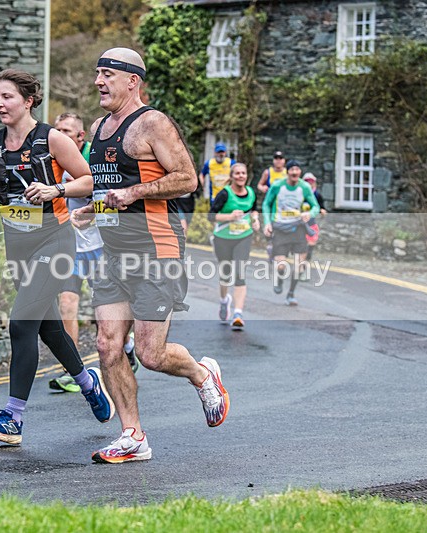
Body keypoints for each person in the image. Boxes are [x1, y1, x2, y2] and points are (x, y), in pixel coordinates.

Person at [72, 48, 230, 464]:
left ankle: (201, 373)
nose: (98, 81)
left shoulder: (152, 123)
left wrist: (135, 193)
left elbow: (187, 179)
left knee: (150, 353)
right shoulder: (99, 128)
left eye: (107, 74)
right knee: (107, 345)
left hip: (157, 249)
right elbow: (109, 186)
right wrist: (94, 209)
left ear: (132, 80)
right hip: (114, 254)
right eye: (97, 73)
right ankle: (133, 436)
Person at [0, 69, 114, 445]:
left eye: (7, 97)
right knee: (48, 328)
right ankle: (88, 383)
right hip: (17, 245)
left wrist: (56, 189)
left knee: (21, 322)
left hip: (55, 240)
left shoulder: (52, 139)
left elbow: (90, 180)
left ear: (28, 100)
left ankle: (13, 417)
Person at [49, 112, 138, 393]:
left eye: (66, 131)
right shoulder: (51, 160)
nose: (59, 135)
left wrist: (88, 205)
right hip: (70, 246)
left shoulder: (96, 159)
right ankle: (73, 371)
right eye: (57, 130)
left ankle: (126, 345)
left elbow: (116, 199)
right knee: (67, 304)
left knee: (106, 312)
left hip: (101, 246)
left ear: (80, 136)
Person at [208, 162, 260, 329]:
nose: (240, 176)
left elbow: (253, 210)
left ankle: (238, 313)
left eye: (243, 173)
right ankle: (224, 300)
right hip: (223, 238)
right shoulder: (225, 194)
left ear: (246, 175)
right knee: (225, 274)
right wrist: (230, 217)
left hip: (243, 237)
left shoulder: (251, 193)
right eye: (237, 173)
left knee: (240, 273)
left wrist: (255, 220)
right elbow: (211, 216)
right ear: (231, 176)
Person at [262, 160, 320, 306]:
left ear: (300, 172)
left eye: (297, 169)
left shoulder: (304, 187)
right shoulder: (277, 186)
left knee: (299, 264)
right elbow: (266, 204)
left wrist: (310, 213)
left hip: (298, 228)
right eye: (291, 170)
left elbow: (315, 206)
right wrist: (267, 222)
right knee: (280, 265)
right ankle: (280, 279)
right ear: (287, 172)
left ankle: (291, 293)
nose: (294, 172)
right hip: (281, 228)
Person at [301, 173, 327, 262]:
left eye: (311, 182)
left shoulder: (317, 195)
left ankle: (308, 255)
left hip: (312, 221)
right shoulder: (299, 194)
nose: (309, 184)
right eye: (307, 182)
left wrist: (322, 210)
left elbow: (321, 206)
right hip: (300, 222)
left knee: (312, 240)